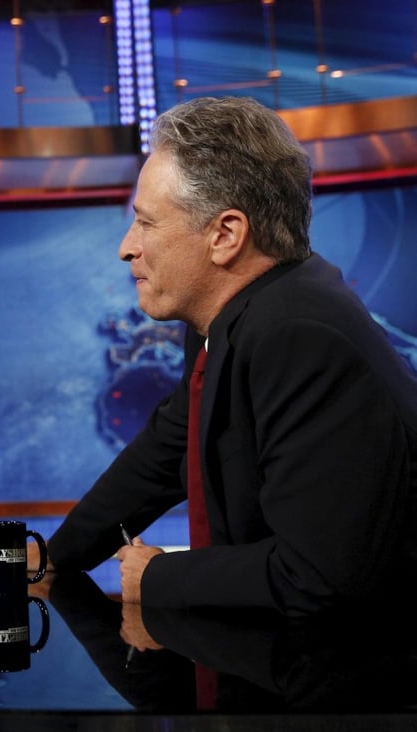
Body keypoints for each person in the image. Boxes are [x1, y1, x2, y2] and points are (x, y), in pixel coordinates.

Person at [43, 96, 417, 617]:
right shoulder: (239, 315)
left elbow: (317, 577)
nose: (126, 247)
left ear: (225, 235)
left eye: (146, 224)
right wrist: (51, 558)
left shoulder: (299, 335)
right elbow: (166, 451)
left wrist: (158, 575)